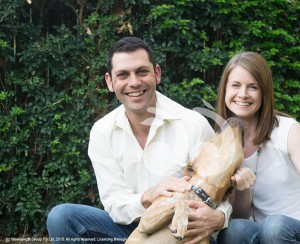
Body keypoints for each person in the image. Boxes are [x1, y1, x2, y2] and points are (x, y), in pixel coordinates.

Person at [46, 36, 232, 244]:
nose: (134, 82)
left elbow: (219, 188)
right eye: (123, 75)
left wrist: (219, 217)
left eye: (142, 71)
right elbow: (115, 204)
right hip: (127, 232)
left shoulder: (193, 124)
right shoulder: (102, 132)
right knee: (61, 217)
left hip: (182, 233)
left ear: (157, 74)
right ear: (110, 81)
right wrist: (148, 196)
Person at [215, 51, 300, 244]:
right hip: (263, 234)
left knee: (274, 226)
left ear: (264, 93)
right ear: (225, 91)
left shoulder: (289, 131)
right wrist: (243, 190)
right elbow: (240, 214)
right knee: (234, 229)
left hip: (292, 229)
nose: (243, 94)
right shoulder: (223, 146)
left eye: (253, 87)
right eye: (235, 85)